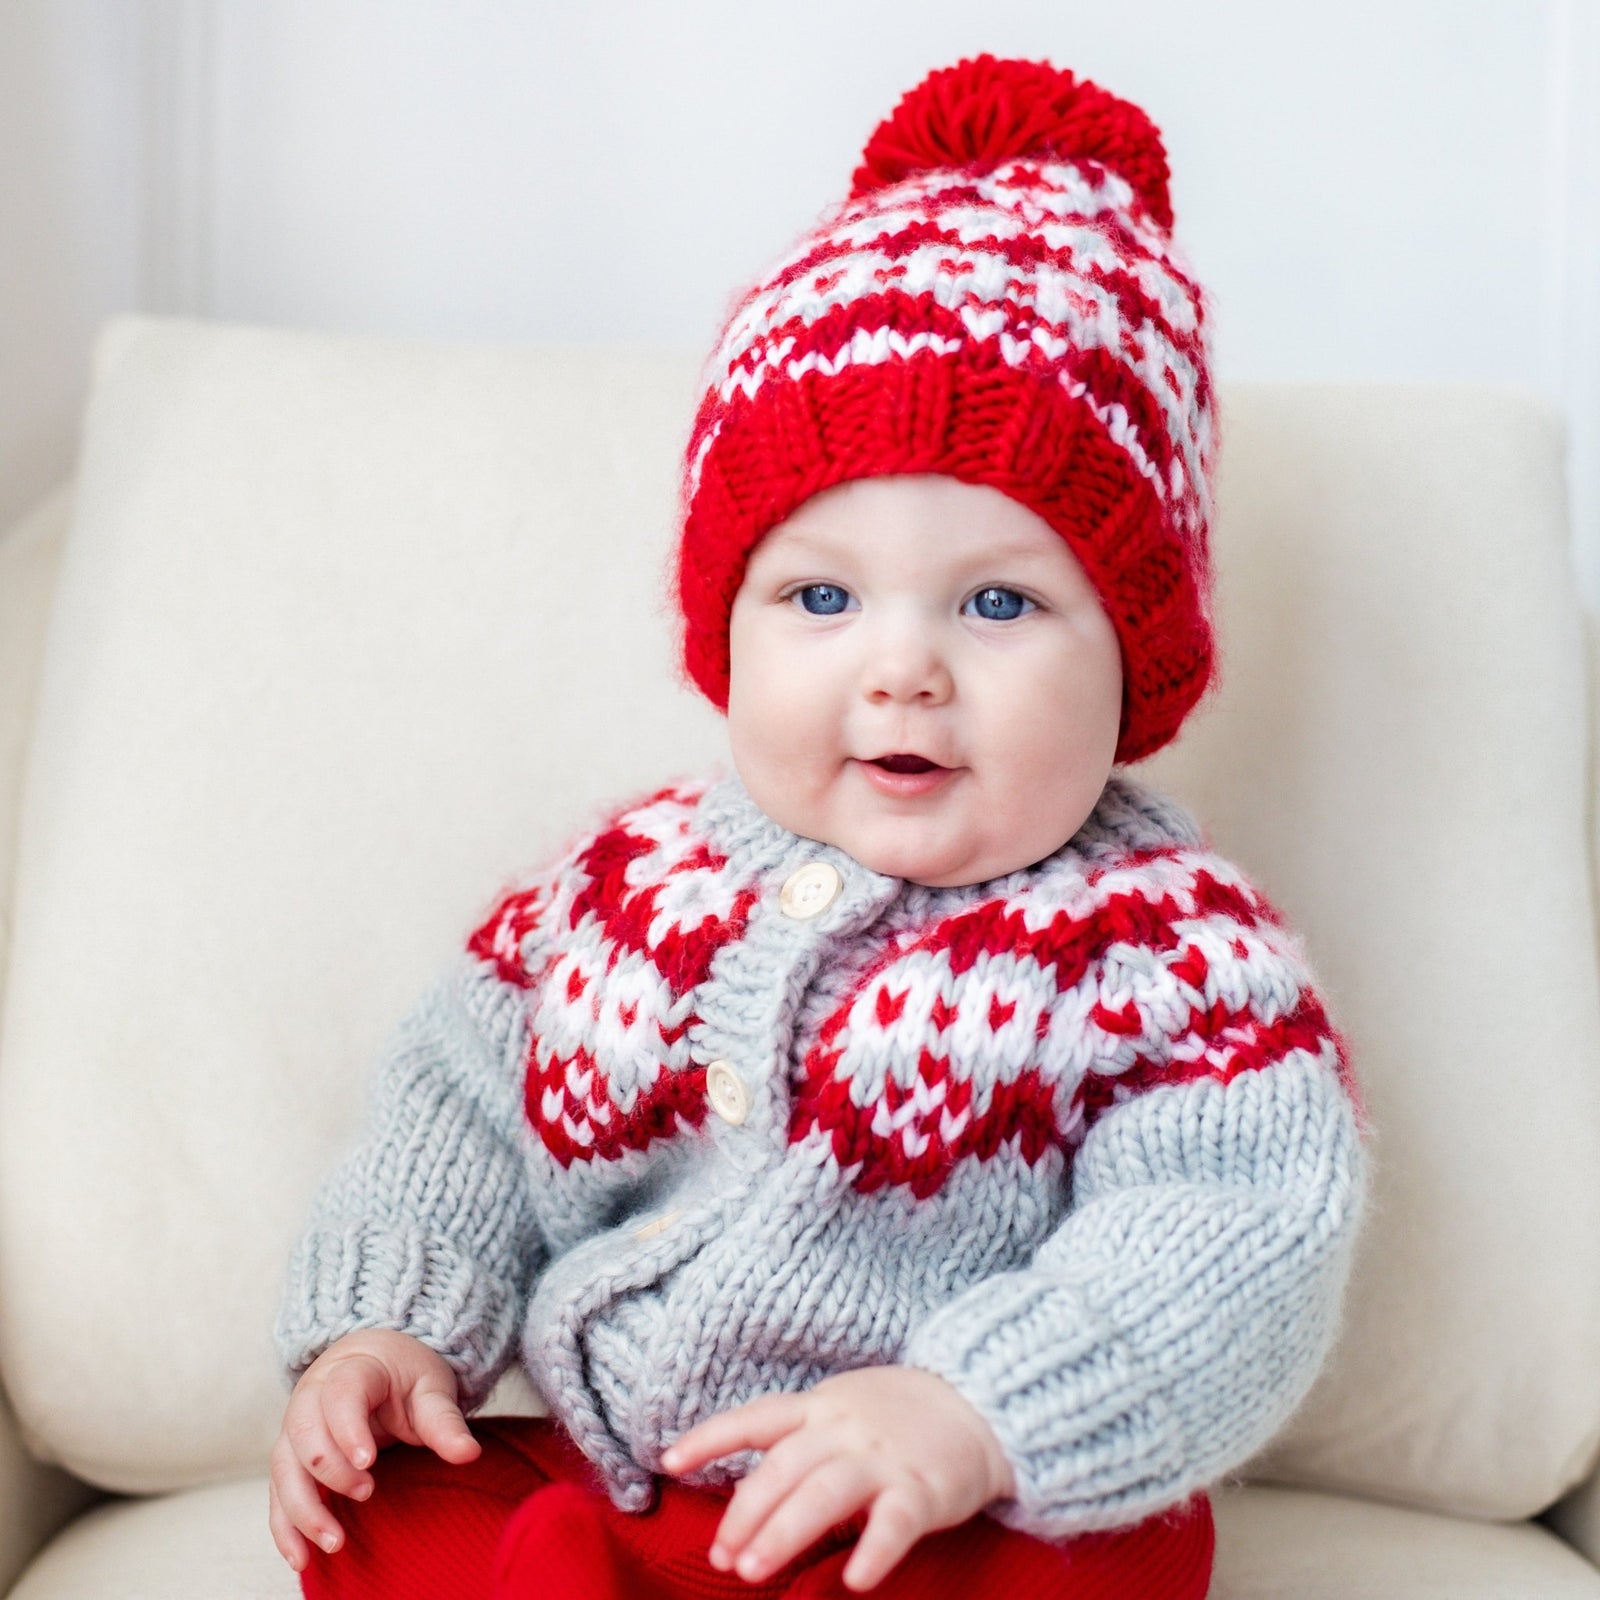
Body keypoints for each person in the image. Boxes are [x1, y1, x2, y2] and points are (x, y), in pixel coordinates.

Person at [268, 53, 1368, 1600]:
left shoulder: (1166, 946)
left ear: (1134, 660)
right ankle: (565, 1561)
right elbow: (458, 1104)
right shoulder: (625, 887)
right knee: (381, 1496)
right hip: (638, 1464)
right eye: (822, 596)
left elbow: (1243, 1223)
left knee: (1101, 1552)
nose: (900, 667)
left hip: (959, 1508)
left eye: (999, 601)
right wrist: (391, 1328)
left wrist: (977, 1412)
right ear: (730, 631)